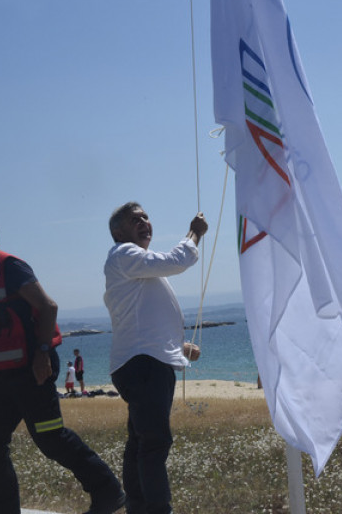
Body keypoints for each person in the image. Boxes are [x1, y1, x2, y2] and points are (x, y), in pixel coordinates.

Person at [0, 211, 125, 514]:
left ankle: (108, 492)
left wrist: (43, 352)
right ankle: (2, 508)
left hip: (34, 369)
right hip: (6, 377)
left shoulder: (11, 267)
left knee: (50, 438)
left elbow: (48, 307)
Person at [104, 202, 207, 514]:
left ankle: (138, 506)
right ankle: (156, 509)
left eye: (146, 217)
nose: (144, 222)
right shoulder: (125, 254)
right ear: (118, 233)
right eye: (135, 220)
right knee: (154, 442)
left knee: (140, 440)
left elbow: (144, 318)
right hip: (144, 363)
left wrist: (180, 346)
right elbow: (178, 259)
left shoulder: (136, 266)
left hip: (142, 360)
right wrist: (194, 233)